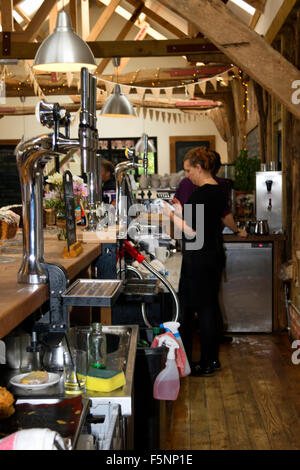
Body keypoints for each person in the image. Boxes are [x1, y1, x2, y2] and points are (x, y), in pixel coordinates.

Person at [163, 146, 229, 377]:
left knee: (204, 310)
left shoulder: (202, 194)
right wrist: (181, 210)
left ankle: (208, 362)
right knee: (209, 306)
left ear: (199, 168)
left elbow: (191, 232)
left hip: (200, 259)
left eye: (189, 170)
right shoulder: (218, 190)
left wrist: (171, 216)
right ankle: (212, 360)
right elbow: (199, 222)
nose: (187, 175)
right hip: (212, 255)